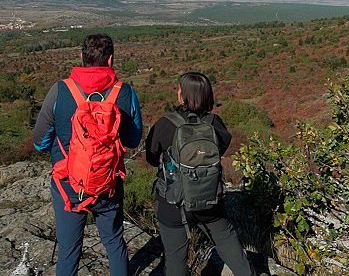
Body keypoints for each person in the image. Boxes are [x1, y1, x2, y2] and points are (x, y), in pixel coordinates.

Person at [33, 33, 143, 276]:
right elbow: (133, 140)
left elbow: (39, 143)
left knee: (69, 250)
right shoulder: (125, 93)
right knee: (114, 242)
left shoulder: (59, 91)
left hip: (68, 184)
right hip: (108, 184)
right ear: (111, 60)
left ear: (81, 57)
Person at [145, 72, 255, 276]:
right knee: (225, 238)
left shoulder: (165, 124)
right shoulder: (215, 123)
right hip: (209, 198)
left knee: (175, 256)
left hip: (173, 202)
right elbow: (220, 150)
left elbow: (151, 158)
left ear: (183, 95)